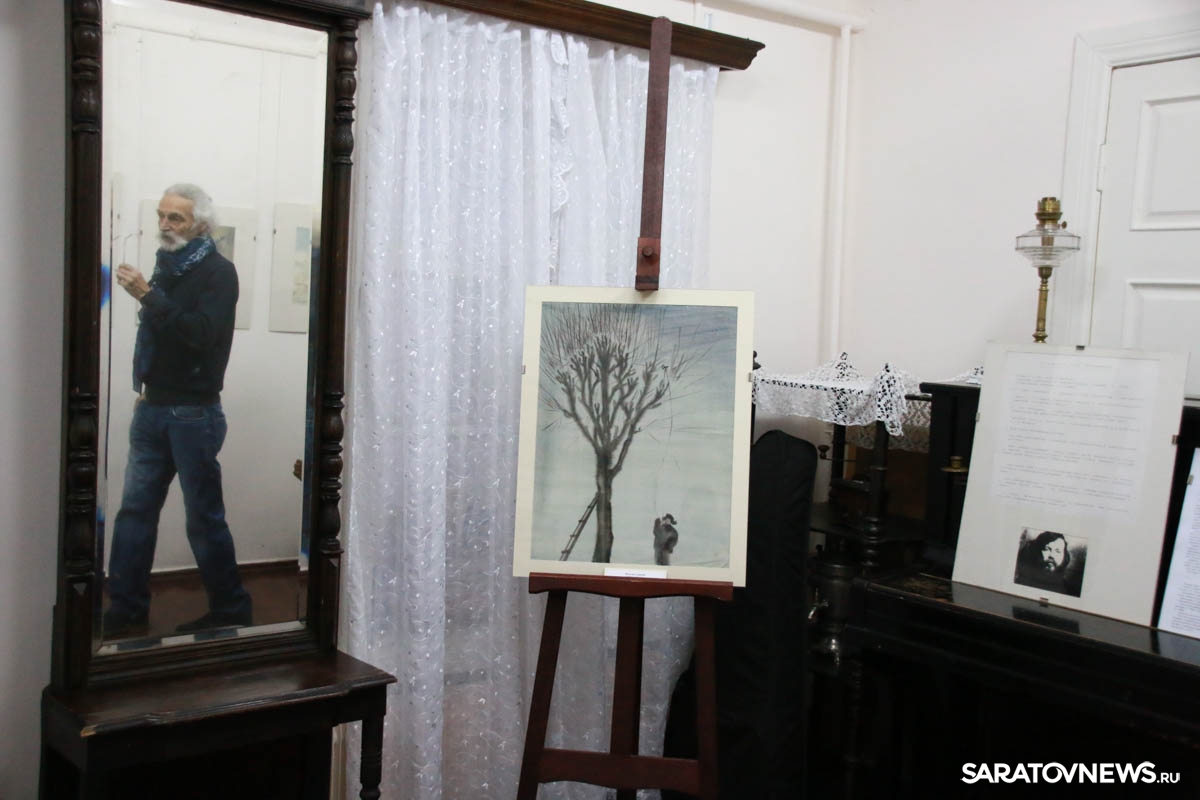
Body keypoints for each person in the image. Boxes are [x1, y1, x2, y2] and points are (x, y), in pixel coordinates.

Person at [102, 183, 252, 637]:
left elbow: (202, 335)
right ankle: (126, 609)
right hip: (153, 406)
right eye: (161, 215)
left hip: (194, 414)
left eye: (176, 218)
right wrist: (147, 386)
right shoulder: (167, 265)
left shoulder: (219, 273)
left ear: (200, 224)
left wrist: (148, 295)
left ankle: (231, 609)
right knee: (134, 513)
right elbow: (163, 336)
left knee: (203, 519)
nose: (165, 225)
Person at [1013, 530, 1082, 597]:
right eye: (1047, 549)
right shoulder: (1021, 582)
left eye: (1058, 551)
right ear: (1036, 551)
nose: (1052, 555)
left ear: (1064, 556)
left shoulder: (1068, 590)